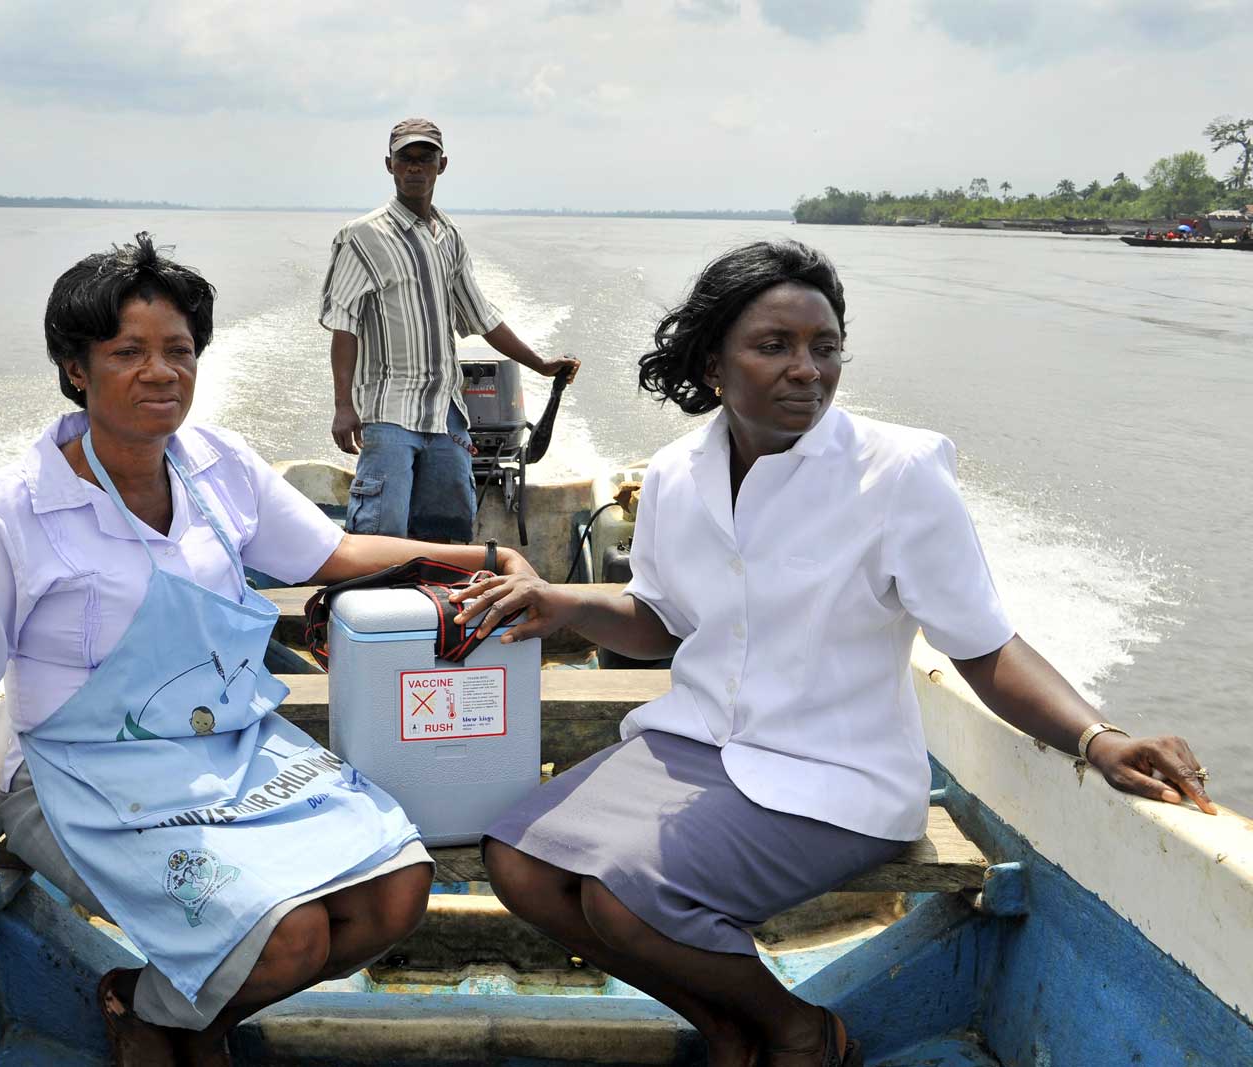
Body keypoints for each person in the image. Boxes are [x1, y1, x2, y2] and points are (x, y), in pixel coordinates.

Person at [0, 233, 537, 1067]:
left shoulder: (221, 468)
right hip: (86, 779)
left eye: (179, 351)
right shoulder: (8, 514)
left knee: (397, 891)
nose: (161, 372)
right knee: (290, 937)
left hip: (233, 752)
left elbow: (331, 555)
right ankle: (157, 1013)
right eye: (128, 352)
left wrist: (491, 561)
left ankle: (169, 1014)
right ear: (77, 369)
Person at [448, 239, 1215, 1067]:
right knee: (520, 862)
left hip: (830, 774)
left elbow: (983, 645)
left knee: (624, 901)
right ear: (713, 364)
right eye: (773, 346)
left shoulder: (898, 471)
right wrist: (558, 601)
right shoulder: (677, 473)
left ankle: (797, 1029)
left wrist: (1097, 738)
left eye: (825, 347)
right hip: (696, 740)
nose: (807, 369)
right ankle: (727, 1025)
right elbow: (662, 619)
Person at [320, 116, 579, 541]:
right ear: (389, 165)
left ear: (443, 165)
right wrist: (343, 405)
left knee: (450, 534)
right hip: (389, 413)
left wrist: (540, 364)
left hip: (447, 415)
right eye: (406, 159)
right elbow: (343, 324)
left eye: (426, 158)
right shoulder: (361, 236)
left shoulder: (449, 237)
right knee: (380, 534)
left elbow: (482, 316)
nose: (416, 167)